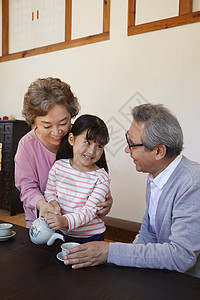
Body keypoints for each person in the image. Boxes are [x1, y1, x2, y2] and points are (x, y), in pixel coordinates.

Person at [63, 103, 200, 278]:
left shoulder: (193, 183)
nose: (127, 149)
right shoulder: (156, 176)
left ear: (159, 151)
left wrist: (110, 252)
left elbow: (181, 256)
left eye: (132, 144)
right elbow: (148, 233)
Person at [15, 77, 113, 228]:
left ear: (71, 115)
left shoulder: (83, 138)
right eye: (46, 126)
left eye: (63, 123)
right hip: (41, 222)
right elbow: (27, 188)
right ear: (33, 121)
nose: (56, 132)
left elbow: (97, 175)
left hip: (81, 227)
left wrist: (106, 200)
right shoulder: (27, 146)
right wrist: (42, 204)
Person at [44, 114, 110, 243]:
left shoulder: (101, 177)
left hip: (90, 238)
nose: (92, 151)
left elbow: (90, 211)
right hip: (60, 232)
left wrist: (64, 221)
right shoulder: (58, 167)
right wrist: (53, 204)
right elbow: (50, 192)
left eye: (99, 146)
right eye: (87, 142)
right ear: (72, 139)